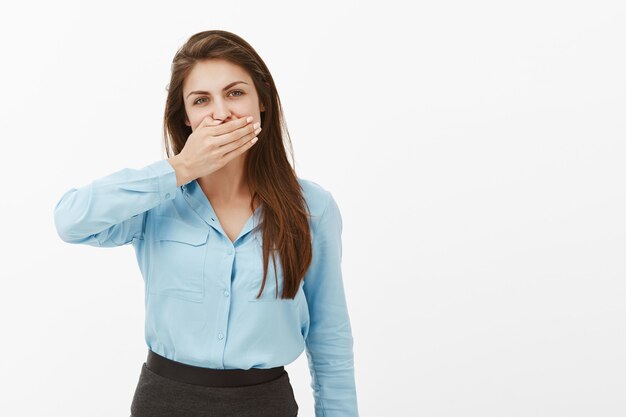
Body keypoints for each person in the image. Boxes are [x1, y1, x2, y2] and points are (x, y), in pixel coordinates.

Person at [52, 30, 359, 417]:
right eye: (201, 100)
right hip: (165, 402)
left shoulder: (312, 208)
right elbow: (70, 220)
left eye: (235, 93)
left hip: (265, 404)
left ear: (262, 100)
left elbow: (329, 336)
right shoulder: (155, 202)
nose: (221, 113)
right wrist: (180, 168)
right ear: (186, 116)